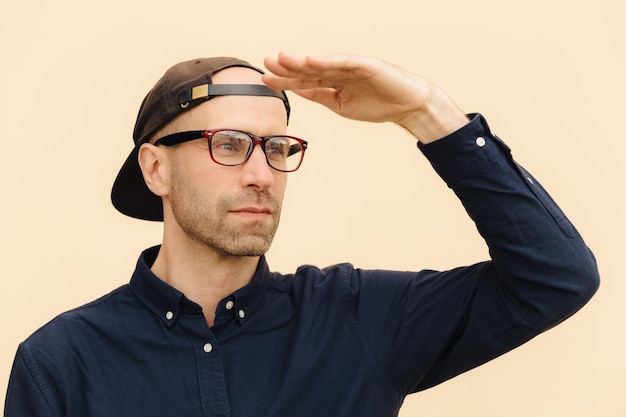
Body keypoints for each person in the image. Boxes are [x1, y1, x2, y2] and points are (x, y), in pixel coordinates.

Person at [4, 52, 600, 417]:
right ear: (156, 168)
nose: (263, 174)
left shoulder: (356, 319)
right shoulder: (61, 363)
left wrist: (424, 112)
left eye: (278, 148)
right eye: (229, 145)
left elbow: (555, 277)